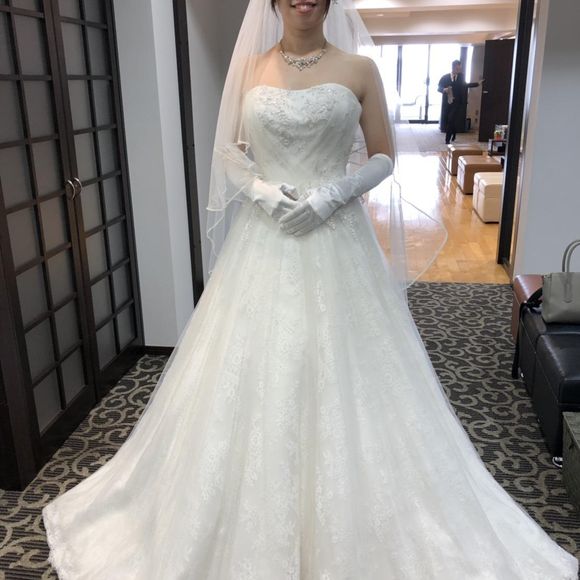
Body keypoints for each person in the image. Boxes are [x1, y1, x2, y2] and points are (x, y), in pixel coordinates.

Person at [42, 1, 578, 578]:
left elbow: (384, 156)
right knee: (248, 367)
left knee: (349, 370)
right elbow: (228, 150)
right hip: (263, 238)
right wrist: (263, 192)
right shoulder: (250, 67)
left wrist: (333, 195)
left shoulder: (359, 68)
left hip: (337, 235)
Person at [438, 59, 480, 144]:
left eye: (460, 69)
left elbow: (465, 85)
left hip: (457, 103)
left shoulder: (461, 77)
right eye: (457, 68)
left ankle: (447, 140)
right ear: (453, 67)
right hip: (447, 103)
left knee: (451, 119)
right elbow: (439, 88)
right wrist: (444, 89)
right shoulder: (445, 77)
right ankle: (454, 132)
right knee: (448, 120)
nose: (459, 70)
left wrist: (477, 84)